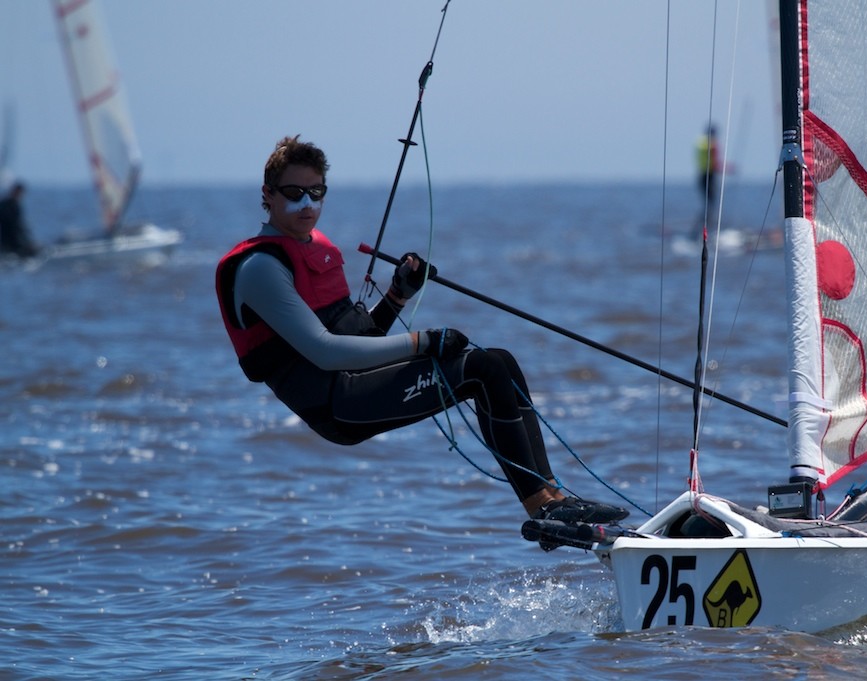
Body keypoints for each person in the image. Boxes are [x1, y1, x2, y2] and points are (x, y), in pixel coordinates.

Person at [215, 136, 627, 538]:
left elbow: (364, 339)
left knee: (501, 362)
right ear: (267, 195)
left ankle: (553, 496)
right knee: (479, 370)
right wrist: (425, 341)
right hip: (336, 406)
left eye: (316, 192)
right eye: (294, 193)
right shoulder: (260, 268)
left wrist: (397, 294)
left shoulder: (313, 247)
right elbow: (325, 352)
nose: (307, 204)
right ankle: (542, 508)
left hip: (353, 384)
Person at [0, 181, 40, 259]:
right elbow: (16, 227)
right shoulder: (10, 205)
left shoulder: (6, 204)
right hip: (12, 242)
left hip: (9, 241)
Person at [695, 124, 721, 224]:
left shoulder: (700, 142)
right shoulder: (712, 145)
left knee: (707, 202)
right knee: (710, 203)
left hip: (701, 175)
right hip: (709, 176)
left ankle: (703, 223)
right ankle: (706, 224)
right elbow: (715, 163)